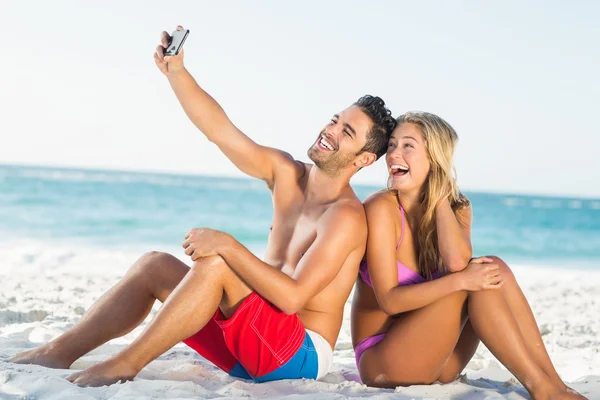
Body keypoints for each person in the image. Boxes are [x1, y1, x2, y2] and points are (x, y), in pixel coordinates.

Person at [10, 26, 397, 387]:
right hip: (246, 344)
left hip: (295, 356)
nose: (330, 131)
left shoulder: (345, 216)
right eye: (334, 120)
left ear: (363, 159)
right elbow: (220, 132)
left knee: (216, 265)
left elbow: (293, 298)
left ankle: (127, 363)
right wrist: (176, 72)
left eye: (346, 132)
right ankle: (58, 352)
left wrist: (227, 245)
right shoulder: (285, 173)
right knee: (154, 265)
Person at [350, 111, 585, 399]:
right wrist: (462, 281)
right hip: (383, 362)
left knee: (492, 268)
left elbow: (457, 262)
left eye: (408, 146)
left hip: (441, 361)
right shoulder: (381, 208)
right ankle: (543, 389)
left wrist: (437, 199)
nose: (394, 154)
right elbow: (389, 301)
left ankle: (554, 383)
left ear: (434, 158)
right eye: (392, 145)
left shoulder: (457, 208)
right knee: (472, 280)